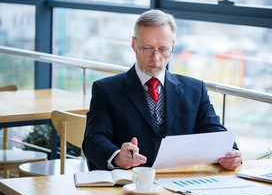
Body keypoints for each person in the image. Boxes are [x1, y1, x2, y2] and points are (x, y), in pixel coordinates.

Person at [83, 9, 242, 171]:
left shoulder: (195, 90)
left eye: (163, 49)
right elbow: (93, 139)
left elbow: (215, 132)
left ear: (172, 46)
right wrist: (117, 156)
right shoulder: (106, 90)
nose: (155, 58)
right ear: (133, 44)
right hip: (129, 182)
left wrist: (232, 153)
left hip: (180, 181)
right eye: (147, 48)